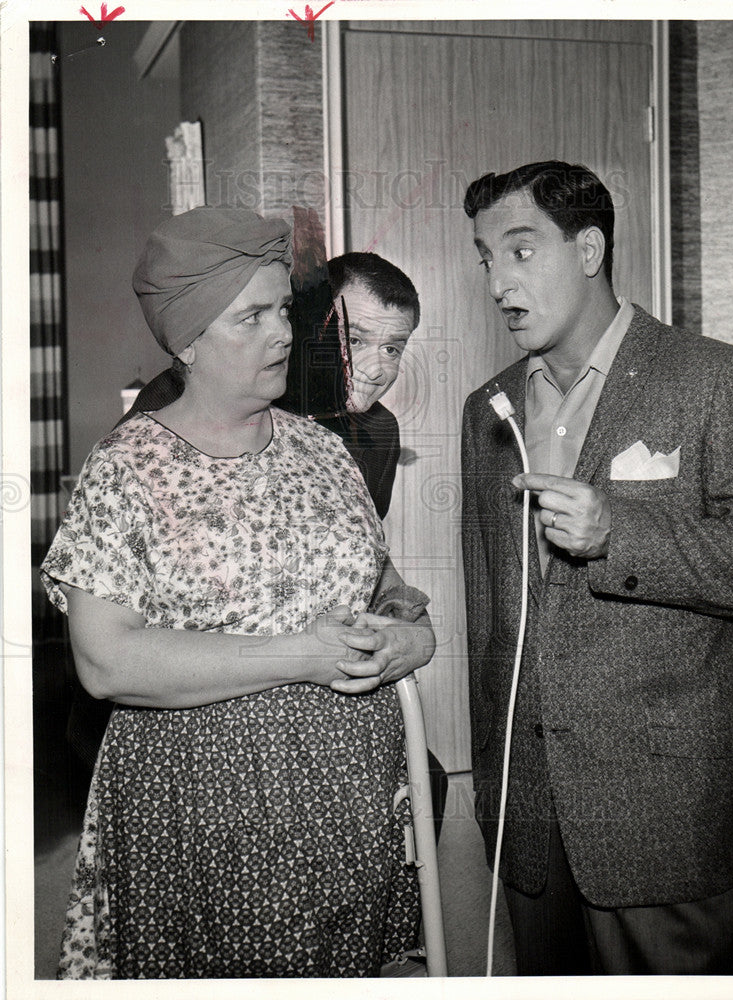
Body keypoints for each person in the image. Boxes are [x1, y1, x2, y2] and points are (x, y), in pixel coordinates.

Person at [41, 207, 436, 979]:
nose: (284, 333)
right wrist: (303, 656)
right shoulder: (128, 471)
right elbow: (106, 662)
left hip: (348, 807)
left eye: (283, 308)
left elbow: (386, 586)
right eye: (251, 316)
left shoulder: (323, 451)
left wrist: (407, 634)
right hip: (203, 818)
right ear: (187, 339)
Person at [460, 161, 733, 975]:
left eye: (520, 252)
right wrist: (493, 793)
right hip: (529, 816)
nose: (497, 282)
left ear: (588, 249)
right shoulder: (489, 409)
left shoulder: (716, 379)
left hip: (662, 813)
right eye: (485, 258)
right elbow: (490, 612)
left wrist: (619, 529)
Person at [124, 249, 420, 519]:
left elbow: (364, 552)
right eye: (354, 340)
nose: (375, 370)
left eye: (391, 349)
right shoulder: (178, 396)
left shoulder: (380, 431)